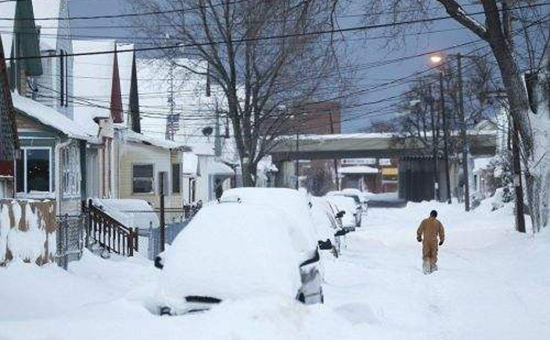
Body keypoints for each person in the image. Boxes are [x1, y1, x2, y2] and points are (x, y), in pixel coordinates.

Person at [416, 210, 445, 274]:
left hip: (426, 241)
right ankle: (433, 267)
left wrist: (419, 237)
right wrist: (442, 240)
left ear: (430, 214)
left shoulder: (424, 221)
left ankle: (426, 267)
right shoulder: (438, 223)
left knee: (426, 254)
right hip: (434, 241)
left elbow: (420, 229)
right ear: (436, 216)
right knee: (433, 255)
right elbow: (441, 231)